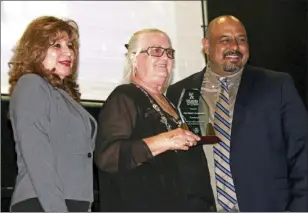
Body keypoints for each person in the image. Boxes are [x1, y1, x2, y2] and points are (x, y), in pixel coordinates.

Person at [166, 15, 308, 211]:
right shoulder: (179, 92)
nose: (235, 46)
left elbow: (302, 153)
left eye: (241, 40)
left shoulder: (277, 86)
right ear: (206, 46)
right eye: (225, 40)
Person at [94, 28, 216, 211]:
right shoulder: (125, 96)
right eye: (156, 51)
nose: (165, 57)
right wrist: (163, 141)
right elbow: (108, 156)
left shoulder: (173, 104)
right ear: (134, 58)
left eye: (169, 52)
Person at [8, 16, 97, 212]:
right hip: (43, 203)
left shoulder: (63, 96)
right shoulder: (31, 84)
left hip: (68, 203)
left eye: (70, 45)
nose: (68, 52)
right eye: (56, 45)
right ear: (35, 51)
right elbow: (37, 159)